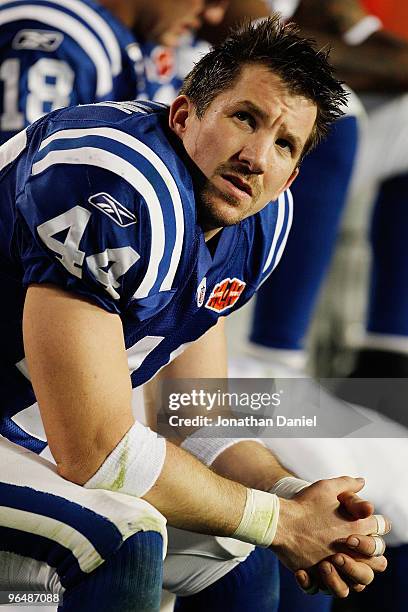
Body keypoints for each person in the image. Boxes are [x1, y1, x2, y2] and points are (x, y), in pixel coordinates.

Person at [0, 18, 389, 611]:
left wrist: (299, 502)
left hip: (32, 423)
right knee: (121, 538)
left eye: (284, 144)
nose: (257, 158)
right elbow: (97, 449)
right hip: (52, 427)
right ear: (183, 115)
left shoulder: (258, 218)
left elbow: (193, 415)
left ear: (294, 174)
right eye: (245, 118)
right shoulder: (117, 182)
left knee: (242, 556)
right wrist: (282, 520)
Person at [0, 0, 228, 144]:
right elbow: (19, 183)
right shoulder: (57, 34)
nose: (213, 16)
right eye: (211, 0)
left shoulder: (146, 45)